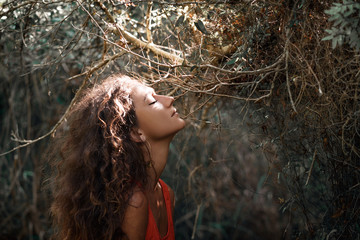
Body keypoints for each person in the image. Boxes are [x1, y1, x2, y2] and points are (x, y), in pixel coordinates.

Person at [50, 74, 186, 240]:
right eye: (152, 101)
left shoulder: (166, 194)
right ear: (136, 132)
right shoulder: (134, 203)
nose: (169, 99)